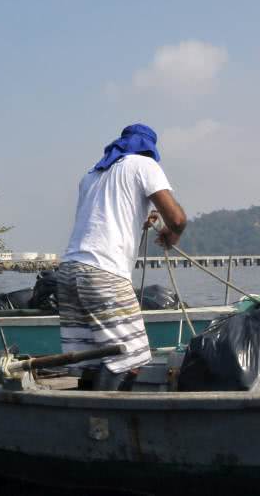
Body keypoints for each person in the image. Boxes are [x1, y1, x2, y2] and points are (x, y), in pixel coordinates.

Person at [58, 123, 187, 391]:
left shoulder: (92, 175)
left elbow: (105, 217)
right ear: (149, 148)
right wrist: (173, 233)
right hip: (103, 272)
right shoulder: (143, 164)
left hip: (69, 272)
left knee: (92, 359)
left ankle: (81, 417)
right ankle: (102, 419)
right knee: (129, 356)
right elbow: (176, 218)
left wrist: (145, 217)